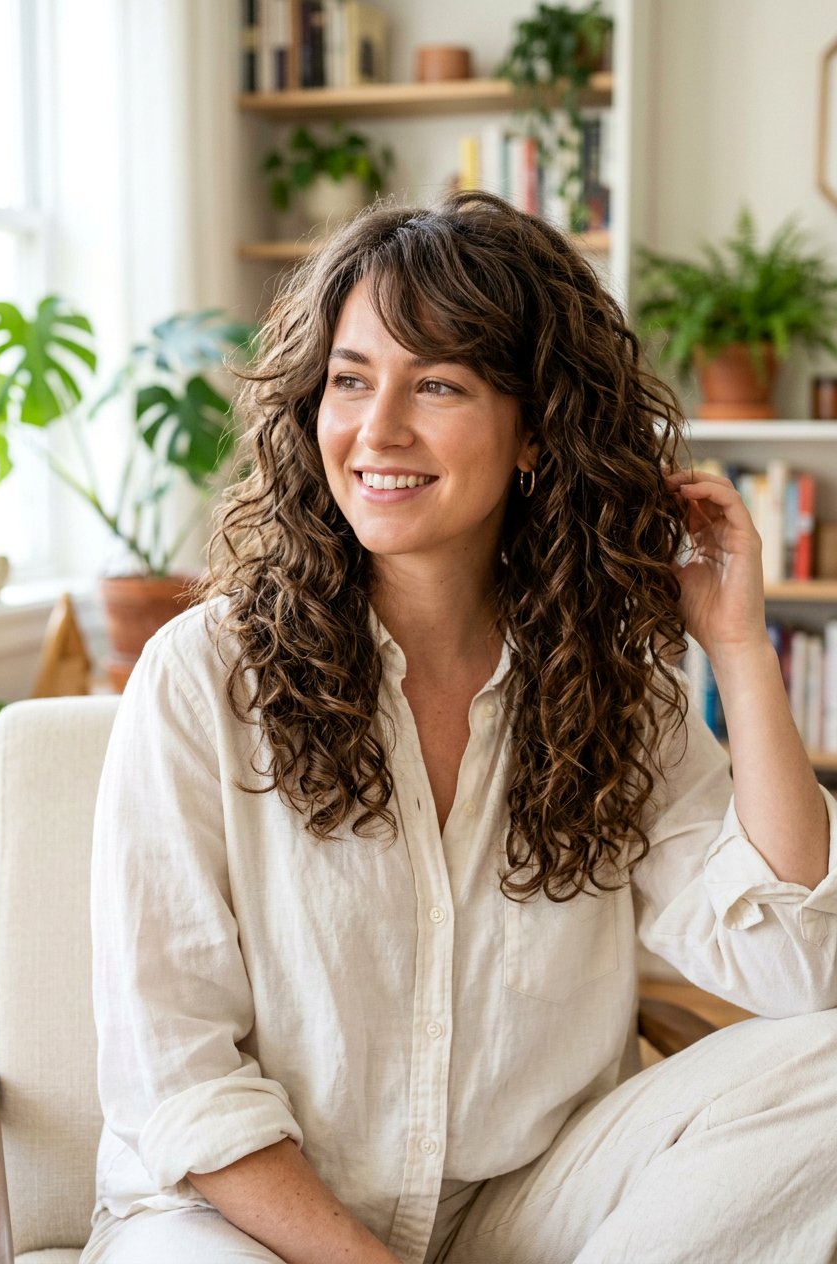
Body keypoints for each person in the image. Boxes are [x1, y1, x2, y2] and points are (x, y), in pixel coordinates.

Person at [82, 192, 837, 1264]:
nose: (376, 430)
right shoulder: (203, 677)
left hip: (517, 1210)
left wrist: (735, 649)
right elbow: (176, 1077)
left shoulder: (602, 686)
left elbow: (801, 968)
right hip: (240, 1220)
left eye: (436, 384)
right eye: (349, 380)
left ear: (534, 433)